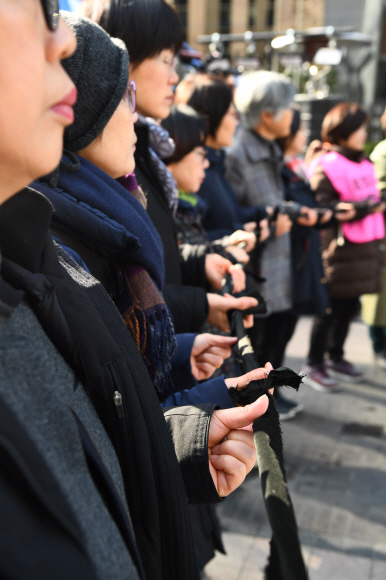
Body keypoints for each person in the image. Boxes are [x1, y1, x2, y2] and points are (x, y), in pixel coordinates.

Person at [0, 3, 272, 578]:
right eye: (39, 10)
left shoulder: (37, 251)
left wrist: (179, 448)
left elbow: (87, 449)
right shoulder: (55, 238)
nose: (62, 42)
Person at [94, 0, 258, 336]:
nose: (174, 76)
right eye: (166, 60)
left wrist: (199, 261)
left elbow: (155, 258)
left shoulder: (144, 148)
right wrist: (199, 304)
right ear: (119, 55)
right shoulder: (107, 158)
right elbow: (116, 291)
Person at [225, 71, 303, 420]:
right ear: (268, 114)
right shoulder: (237, 152)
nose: (294, 114)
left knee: (276, 336)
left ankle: (272, 396)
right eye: (289, 107)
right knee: (255, 347)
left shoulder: (269, 146)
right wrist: (271, 224)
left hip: (277, 261)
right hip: (256, 268)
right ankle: (257, 412)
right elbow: (229, 219)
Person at [304, 102, 385, 384]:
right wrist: (364, 208)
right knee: (329, 310)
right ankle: (315, 362)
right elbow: (323, 206)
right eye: (360, 128)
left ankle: (336, 356)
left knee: (349, 309)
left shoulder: (364, 162)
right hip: (338, 252)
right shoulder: (327, 164)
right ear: (343, 131)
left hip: (364, 251)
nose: (365, 133)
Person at [276, 109, 336, 393]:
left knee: (286, 329)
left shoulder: (296, 166)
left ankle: (276, 389)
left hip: (301, 257)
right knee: (274, 333)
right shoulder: (279, 170)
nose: (305, 135)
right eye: (300, 129)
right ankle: (268, 393)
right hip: (289, 259)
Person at [176, 75, 269, 245]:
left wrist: (264, 213)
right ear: (209, 119)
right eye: (232, 114)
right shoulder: (194, 171)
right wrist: (232, 236)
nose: (236, 121)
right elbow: (189, 241)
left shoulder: (216, 163)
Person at [361, 106, 386, 371]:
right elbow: (379, 194)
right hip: (381, 234)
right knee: (379, 296)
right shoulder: (382, 152)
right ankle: (379, 345)